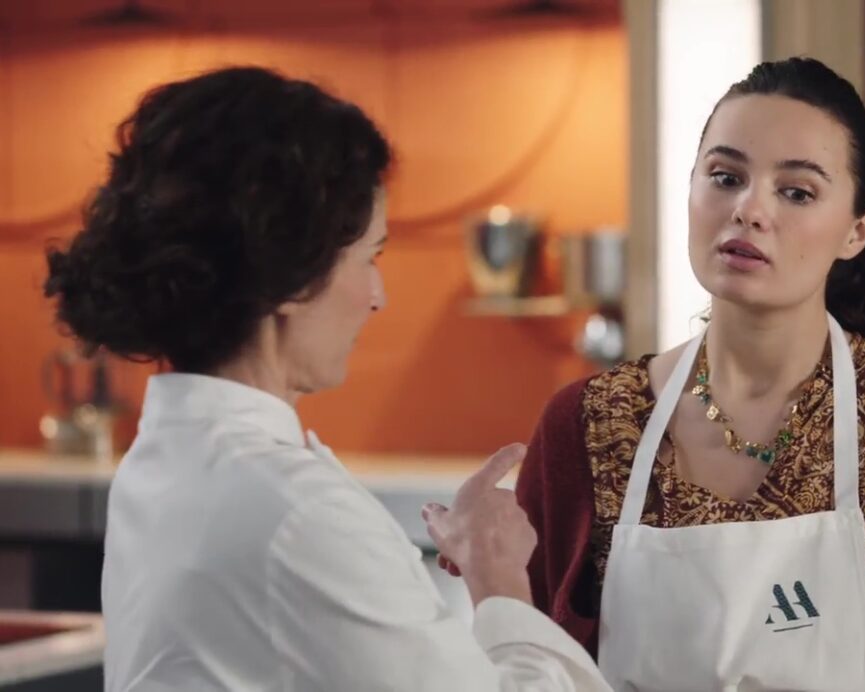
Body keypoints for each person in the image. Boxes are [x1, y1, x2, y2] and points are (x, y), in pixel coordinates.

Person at [44, 66, 609, 691]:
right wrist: (497, 577)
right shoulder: (296, 513)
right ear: (292, 276)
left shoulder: (163, 462)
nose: (378, 295)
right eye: (370, 257)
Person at [516, 57, 865, 691]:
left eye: (797, 191)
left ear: (857, 230)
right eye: (725, 177)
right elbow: (531, 666)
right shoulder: (588, 425)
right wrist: (493, 577)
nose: (749, 209)